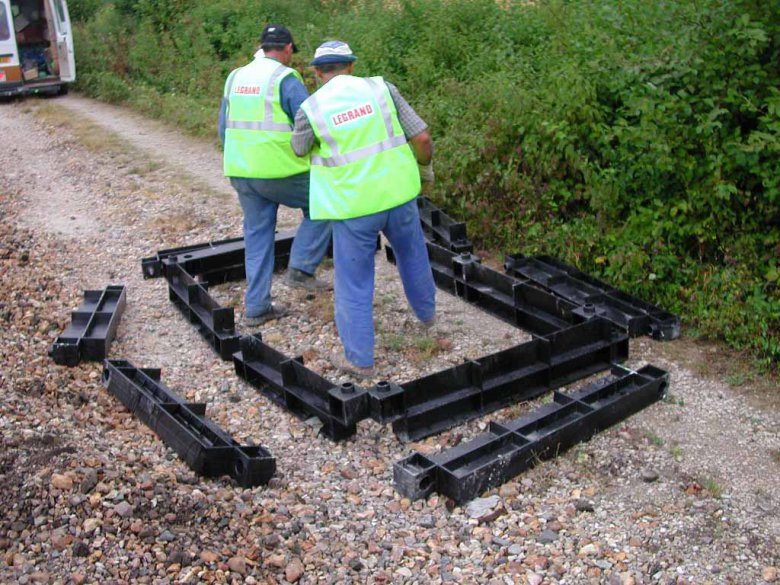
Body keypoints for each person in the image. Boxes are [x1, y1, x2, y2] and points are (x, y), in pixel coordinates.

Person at [292, 40, 436, 377]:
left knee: (354, 282)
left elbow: (299, 148)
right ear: (351, 66)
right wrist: (425, 169)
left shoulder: (311, 108)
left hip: (354, 207)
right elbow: (422, 138)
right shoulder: (381, 89)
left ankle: (361, 361)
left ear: (317, 72)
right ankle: (428, 320)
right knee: (413, 255)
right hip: (398, 196)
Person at [220, 24, 332, 326]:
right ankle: (301, 268)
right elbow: (310, 124)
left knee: (257, 236)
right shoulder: (285, 78)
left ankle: (257, 307)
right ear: (287, 49)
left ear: (261, 47)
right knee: (324, 202)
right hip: (281, 171)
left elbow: (223, 128)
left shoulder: (235, 76)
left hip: (241, 171)